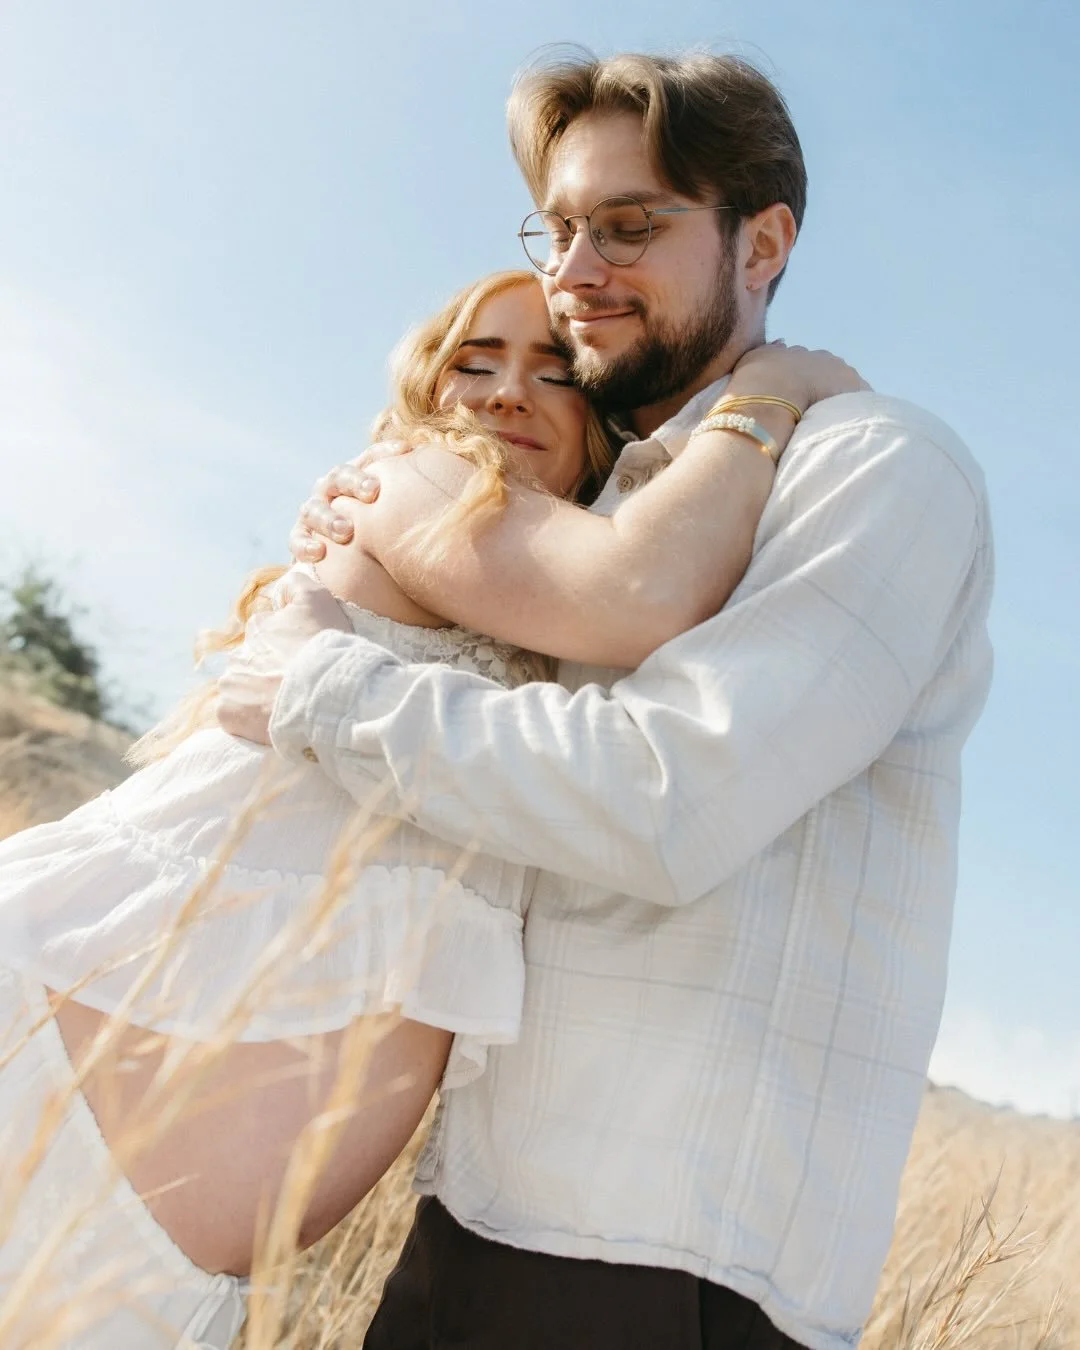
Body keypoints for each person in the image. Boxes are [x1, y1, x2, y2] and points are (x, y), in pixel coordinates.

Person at [224, 50, 995, 1350]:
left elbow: (666, 793)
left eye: (631, 227)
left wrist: (321, 680)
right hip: (484, 1212)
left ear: (764, 241)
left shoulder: (878, 465)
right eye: (561, 226)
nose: (577, 269)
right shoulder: (601, 506)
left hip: (666, 1259)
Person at [0, 267, 857, 1350]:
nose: (506, 394)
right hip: (37, 1088)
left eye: (556, 371)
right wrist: (767, 392)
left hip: (136, 1253)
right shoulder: (416, 481)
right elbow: (639, 591)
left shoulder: (543, 625)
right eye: (475, 359)